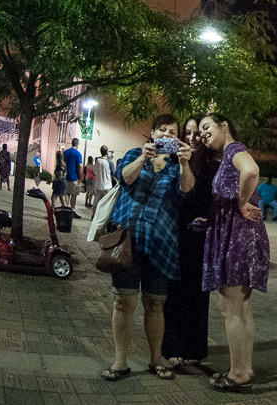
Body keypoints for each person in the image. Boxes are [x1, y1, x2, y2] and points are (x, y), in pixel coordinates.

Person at [102, 114, 194, 383]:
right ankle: (120, 362)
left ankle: (156, 360)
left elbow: (186, 191)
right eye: (162, 130)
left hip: (161, 243)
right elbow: (124, 178)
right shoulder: (133, 153)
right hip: (128, 240)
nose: (166, 134)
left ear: (177, 138)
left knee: (155, 305)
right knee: (123, 300)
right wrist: (143, 158)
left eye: (172, 131)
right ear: (152, 132)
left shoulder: (177, 166)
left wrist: (186, 162)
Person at [200, 113, 268, 393]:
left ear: (224, 125)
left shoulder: (234, 150)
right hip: (241, 235)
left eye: (207, 127)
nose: (203, 134)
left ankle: (238, 374)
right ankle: (243, 369)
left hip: (239, 238)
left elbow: (251, 171)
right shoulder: (229, 154)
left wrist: (241, 203)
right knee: (241, 307)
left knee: (229, 307)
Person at [162, 115, 217, 370]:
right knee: (174, 292)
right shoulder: (173, 161)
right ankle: (172, 346)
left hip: (199, 236)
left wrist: (209, 220)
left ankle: (195, 347)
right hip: (175, 233)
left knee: (197, 292)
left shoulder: (211, 165)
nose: (193, 138)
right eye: (188, 133)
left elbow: (216, 201)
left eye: (197, 134)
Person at [63, 139, 83, 219]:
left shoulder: (66, 152)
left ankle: (66, 209)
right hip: (75, 177)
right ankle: (72, 210)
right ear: (77, 144)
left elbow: (63, 162)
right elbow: (80, 166)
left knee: (67, 193)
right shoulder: (78, 154)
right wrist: (81, 177)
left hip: (67, 176)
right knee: (74, 194)